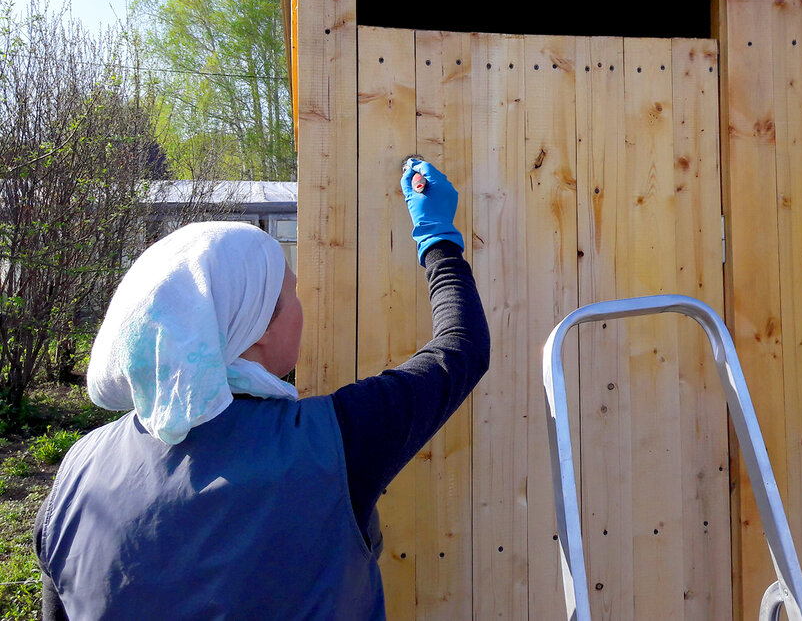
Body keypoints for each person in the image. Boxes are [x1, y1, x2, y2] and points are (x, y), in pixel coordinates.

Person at [34, 159, 488, 620]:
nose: (301, 306)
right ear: (257, 326)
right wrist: (438, 241)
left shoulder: (77, 471)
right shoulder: (332, 444)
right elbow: (461, 349)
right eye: (291, 291)